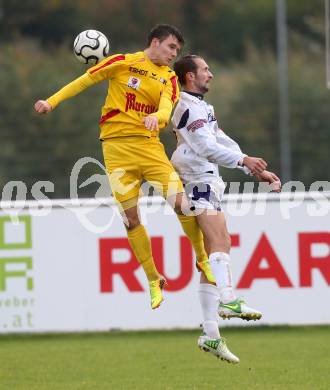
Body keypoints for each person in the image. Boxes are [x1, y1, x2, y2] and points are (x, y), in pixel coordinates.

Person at [34, 25, 216, 310]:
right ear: (155, 42)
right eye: (170, 47)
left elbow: (167, 108)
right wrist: (51, 102)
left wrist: (158, 117)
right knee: (131, 219)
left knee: (182, 205)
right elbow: (84, 80)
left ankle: (203, 260)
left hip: (149, 148)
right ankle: (154, 280)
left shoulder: (168, 77)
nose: (173, 55)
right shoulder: (122, 62)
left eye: (177, 51)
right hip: (116, 151)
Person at [171, 55, 281, 363]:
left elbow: (219, 139)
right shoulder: (188, 106)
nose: (212, 74)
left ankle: (210, 334)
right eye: (205, 69)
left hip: (204, 178)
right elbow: (204, 147)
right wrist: (244, 162)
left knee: (211, 253)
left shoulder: (200, 106)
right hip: (197, 178)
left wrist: (250, 167)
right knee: (221, 242)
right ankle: (229, 300)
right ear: (190, 76)